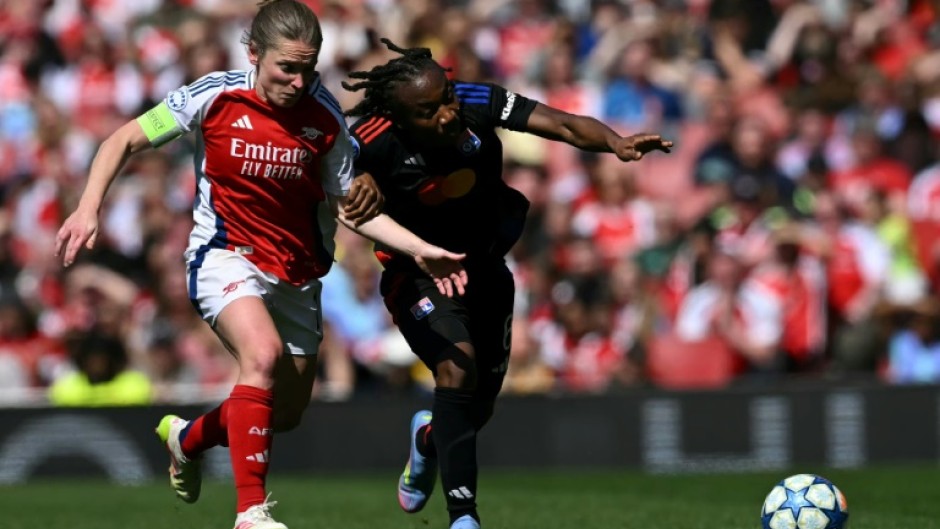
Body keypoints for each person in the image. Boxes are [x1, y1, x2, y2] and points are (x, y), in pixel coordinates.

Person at [54, 3, 468, 529]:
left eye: (308, 68)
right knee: (262, 356)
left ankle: (188, 438)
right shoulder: (214, 94)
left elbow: (349, 207)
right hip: (224, 255)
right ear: (253, 53)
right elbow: (125, 138)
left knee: (284, 415)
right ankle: (251, 513)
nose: (298, 81)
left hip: (296, 272)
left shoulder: (325, 119)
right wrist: (89, 206)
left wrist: (419, 248)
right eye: (286, 68)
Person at [342, 38, 673, 529]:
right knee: (457, 368)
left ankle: (428, 440)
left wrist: (614, 143)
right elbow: (335, 176)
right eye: (429, 111)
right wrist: (358, 179)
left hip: (486, 268)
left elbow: (560, 123)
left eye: (448, 98)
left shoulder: (477, 101)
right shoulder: (371, 137)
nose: (448, 114)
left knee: (473, 413)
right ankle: (464, 518)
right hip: (417, 275)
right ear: (401, 118)